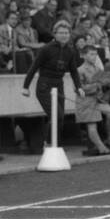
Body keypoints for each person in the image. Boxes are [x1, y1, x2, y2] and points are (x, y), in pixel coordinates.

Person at [21, 18, 83, 151]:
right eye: (61, 33)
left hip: (59, 85)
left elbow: (74, 71)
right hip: (44, 86)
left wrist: (79, 87)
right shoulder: (46, 49)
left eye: (66, 33)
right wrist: (25, 87)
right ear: (55, 34)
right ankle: (48, 143)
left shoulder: (70, 51)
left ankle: (56, 145)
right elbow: (33, 67)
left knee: (61, 118)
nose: (64, 35)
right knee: (56, 115)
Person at [75, 42, 110, 155]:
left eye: (95, 54)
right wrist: (98, 85)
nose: (94, 57)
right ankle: (102, 148)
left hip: (97, 100)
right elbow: (79, 89)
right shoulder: (79, 70)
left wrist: (108, 82)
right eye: (91, 54)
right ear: (83, 55)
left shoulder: (97, 69)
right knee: (92, 125)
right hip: (85, 102)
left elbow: (102, 83)